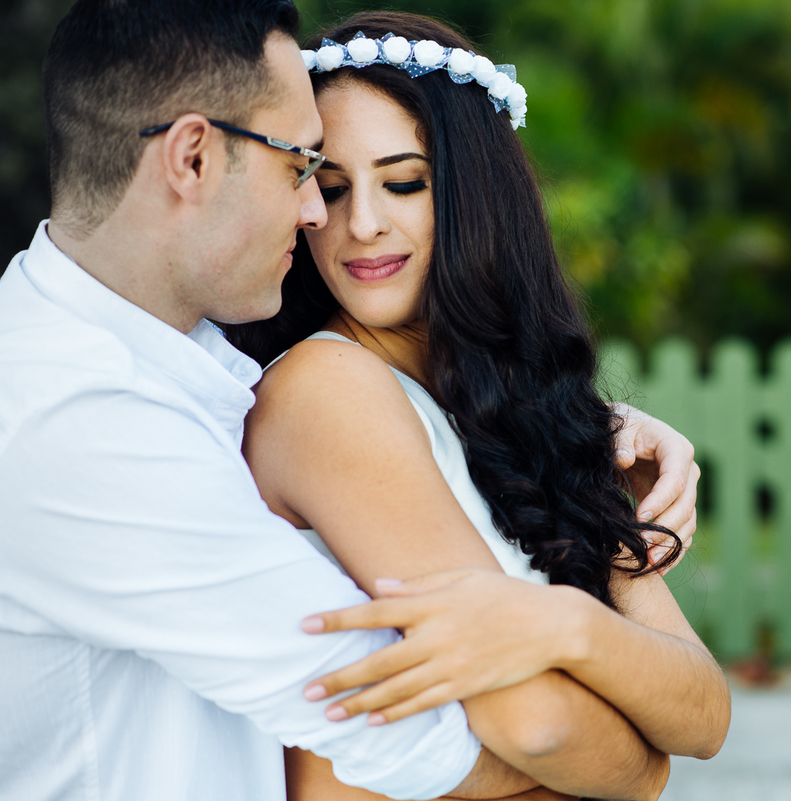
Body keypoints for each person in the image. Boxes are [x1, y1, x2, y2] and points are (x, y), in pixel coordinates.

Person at [0, 2, 701, 800]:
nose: (320, 215)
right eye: (304, 167)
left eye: (401, 181)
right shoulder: (78, 422)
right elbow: (450, 735)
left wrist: (581, 433)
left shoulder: (165, 361)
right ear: (192, 158)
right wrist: (641, 768)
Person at [228, 10, 730, 801]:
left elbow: (704, 710)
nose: (362, 225)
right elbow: (540, 723)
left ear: (474, 194)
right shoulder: (325, 389)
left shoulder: (517, 409)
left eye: (404, 183)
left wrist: (567, 626)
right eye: (328, 186)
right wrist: (642, 764)